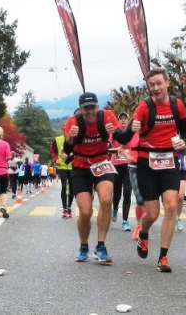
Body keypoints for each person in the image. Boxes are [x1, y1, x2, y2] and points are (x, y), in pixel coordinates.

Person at [64, 92, 139, 264]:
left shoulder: (107, 117)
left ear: (97, 107)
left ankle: (101, 246)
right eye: (86, 108)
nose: (90, 111)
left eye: (92, 107)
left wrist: (118, 131)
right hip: (81, 166)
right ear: (81, 109)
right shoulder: (73, 121)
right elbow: (67, 150)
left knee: (106, 200)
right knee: (85, 211)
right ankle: (84, 246)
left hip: (101, 163)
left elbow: (122, 138)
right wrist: (69, 138)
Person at [132, 68, 186, 273]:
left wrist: (184, 142)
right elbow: (129, 132)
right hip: (147, 164)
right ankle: (143, 232)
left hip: (169, 161)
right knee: (153, 214)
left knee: (171, 206)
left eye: (159, 83)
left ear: (167, 83)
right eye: (152, 85)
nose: (156, 88)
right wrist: (131, 128)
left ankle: (163, 257)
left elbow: (185, 132)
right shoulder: (144, 106)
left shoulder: (177, 105)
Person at [110, 112, 134, 232]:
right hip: (116, 166)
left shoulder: (132, 133)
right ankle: (115, 208)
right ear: (118, 121)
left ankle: (125, 221)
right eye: (121, 119)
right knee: (117, 191)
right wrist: (118, 150)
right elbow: (108, 148)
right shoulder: (114, 133)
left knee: (127, 191)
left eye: (125, 118)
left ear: (128, 121)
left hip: (129, 166)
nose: (123, 120)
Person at [50, 124, 74, 218]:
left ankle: (69, 207)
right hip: (62, 167)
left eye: (68, 129)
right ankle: (64, 208)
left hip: (72, 166)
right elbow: (53, 151)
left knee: (72, 188)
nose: (66, 130)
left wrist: (71, 156)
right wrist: (56, 160)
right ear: (62, 130)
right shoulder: (57, 140)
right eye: (64, 129)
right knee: (64, 186)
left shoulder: (75, 139)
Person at [175, 150, 186, 231]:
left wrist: (183, 146)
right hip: (168, 168)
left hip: (181, 169)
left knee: (180, 196)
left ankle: (177, 217)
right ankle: (170, 216)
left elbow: (185, 152)